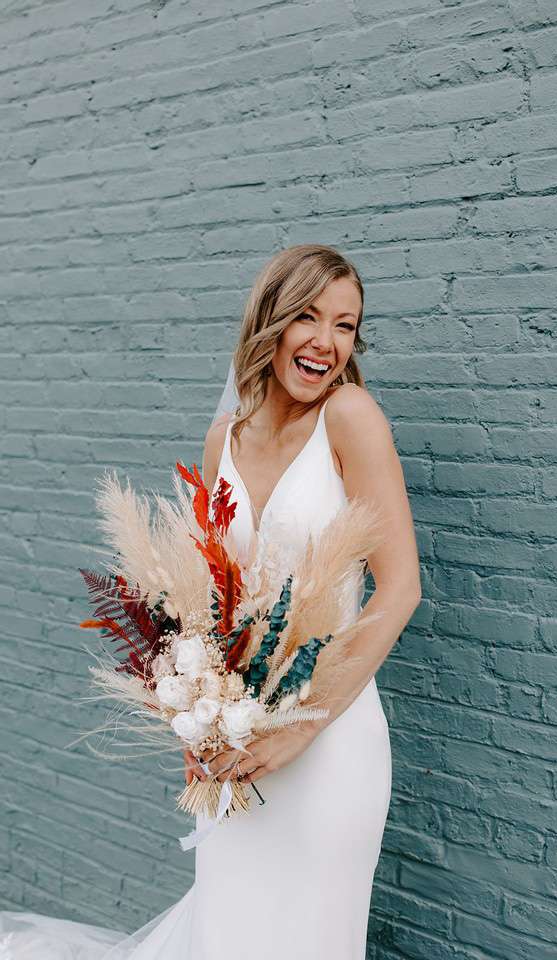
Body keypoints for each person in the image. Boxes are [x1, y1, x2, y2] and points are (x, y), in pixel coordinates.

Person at [0, 243, 421, 958]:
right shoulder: (223, 436)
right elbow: (206, 603)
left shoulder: (350, 416)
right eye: (309, 317)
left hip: (331, 745)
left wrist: (303, 727)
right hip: (237, 746)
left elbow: (402, 586)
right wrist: (199, 718)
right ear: (271, 320)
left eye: (346, 326)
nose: (326, 341)